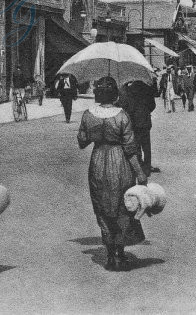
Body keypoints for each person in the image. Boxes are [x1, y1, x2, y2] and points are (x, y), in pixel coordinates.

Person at [77, 76, 148, 271]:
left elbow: (82, 141)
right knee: (122, 208)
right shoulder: (122, 115)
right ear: (115, 94)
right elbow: (130, 148)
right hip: (120, 164)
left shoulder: (87, 115)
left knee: (102, 208)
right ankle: (120, 253)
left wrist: (96, 131)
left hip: (98, 162)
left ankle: (109, 256)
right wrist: (140, 174)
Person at [119, 79, 158, 175]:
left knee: (136, 145)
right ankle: (147, 168)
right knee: (146, 146)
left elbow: (126, 106)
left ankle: (139, 166)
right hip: (145, 121)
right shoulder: (147, 89)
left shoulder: (128, 90)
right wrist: (145, 111)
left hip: (133, 122)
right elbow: (152, 105)